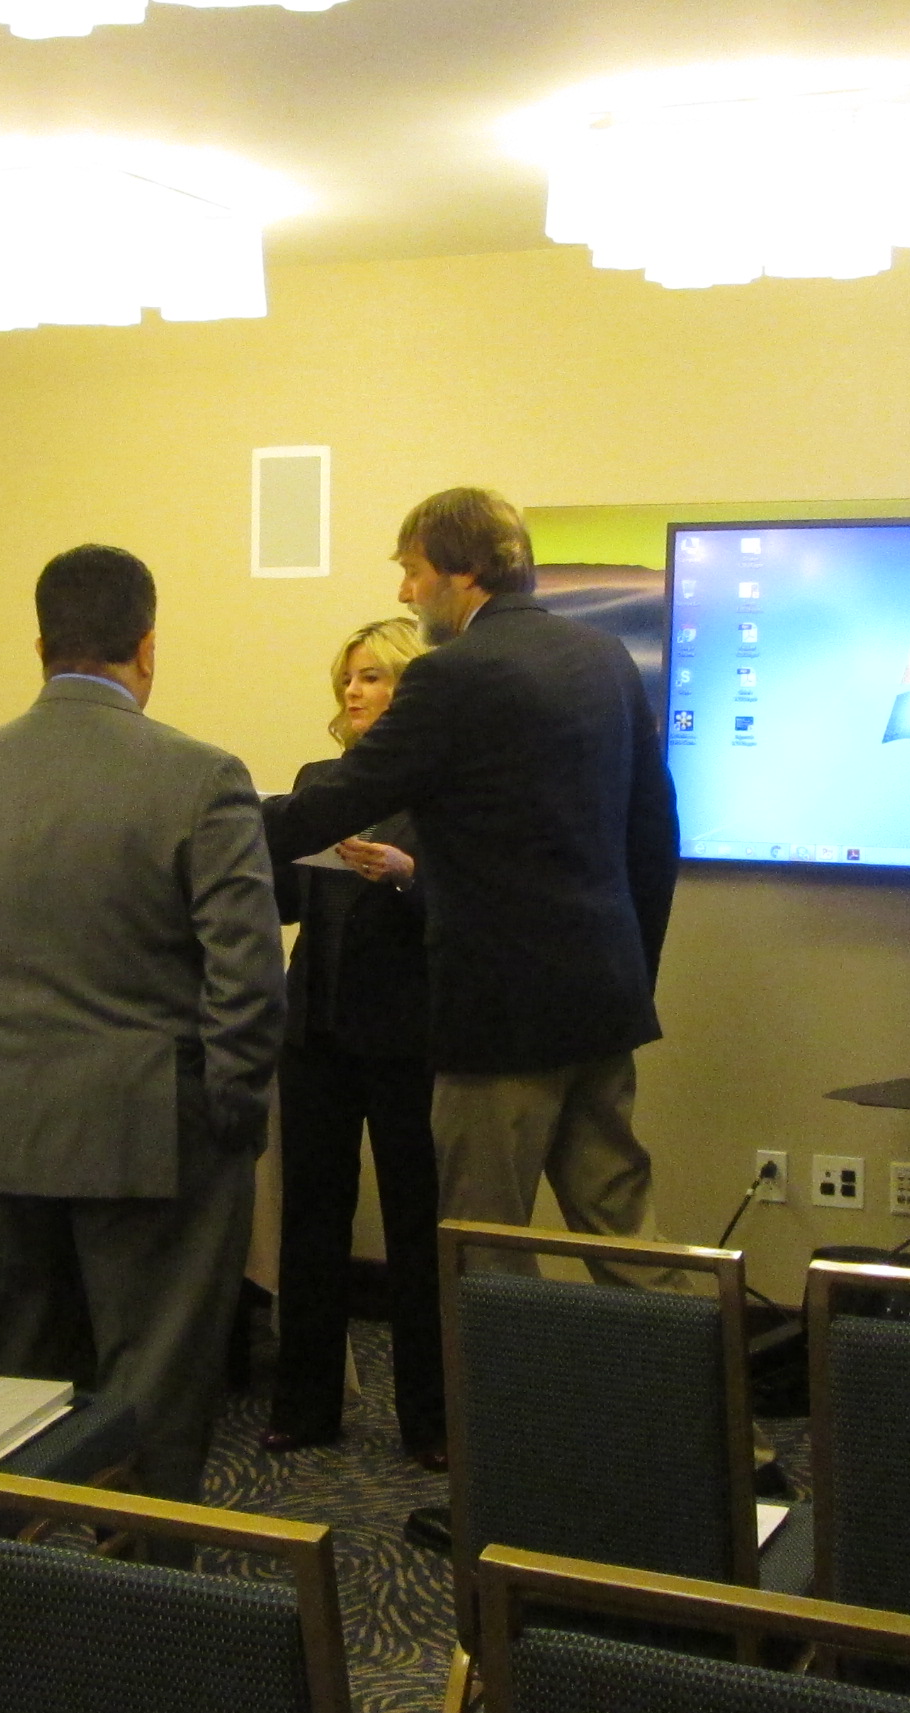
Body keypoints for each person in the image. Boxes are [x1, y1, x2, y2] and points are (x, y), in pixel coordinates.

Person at [0, 545, 285, 1520]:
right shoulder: (203, 777)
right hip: (149, 1134)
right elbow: (248, 980)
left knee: (8, 1391)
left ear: (40, 644)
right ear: (147, 646)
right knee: (152, 1390)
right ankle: (138, 1586)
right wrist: (233, 1120)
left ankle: (7, 1573)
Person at [263, 486, 680, 1267]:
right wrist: (633, 975)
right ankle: (683, 1354)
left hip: (499, 1026)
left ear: (463, 572)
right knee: (628, 1238)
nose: (404, 592)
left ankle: (500, 1362)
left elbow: (338, 803)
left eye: (412, 570)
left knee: (483, 1254)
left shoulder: (453, 675)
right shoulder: (604, 658)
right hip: (602, 1005)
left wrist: (205, 819)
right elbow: (654, 834)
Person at [266, 617, 444, 1464]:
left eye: (372, 676)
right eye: (349, 676)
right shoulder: (319, 782)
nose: (354, 690)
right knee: (309, 1221)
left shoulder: (446, 791)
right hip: (317, 1031)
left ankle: (432, 1422)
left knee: (417, 1230)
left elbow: (472, 909)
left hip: (409, 1035)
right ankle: (305, 1407)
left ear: (409, 688)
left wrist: (407, 877)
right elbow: (285, 902)